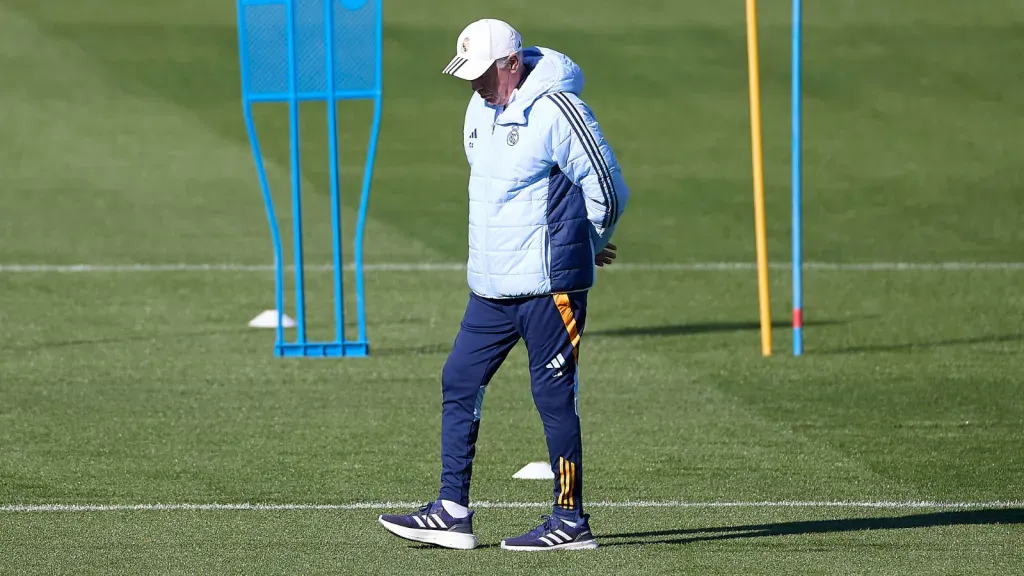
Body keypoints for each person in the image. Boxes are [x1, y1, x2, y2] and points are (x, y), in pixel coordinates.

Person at [378, 18, 629, 552]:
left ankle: (569, 520)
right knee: (459, 380)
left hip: (548, 288)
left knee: (553, 398)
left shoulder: (559, 111)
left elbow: (607, 187)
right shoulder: (477, 109)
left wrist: (582, 242)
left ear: (511, 64)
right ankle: (451, 511)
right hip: (489, 290)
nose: (473, 84)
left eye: (482, 73)